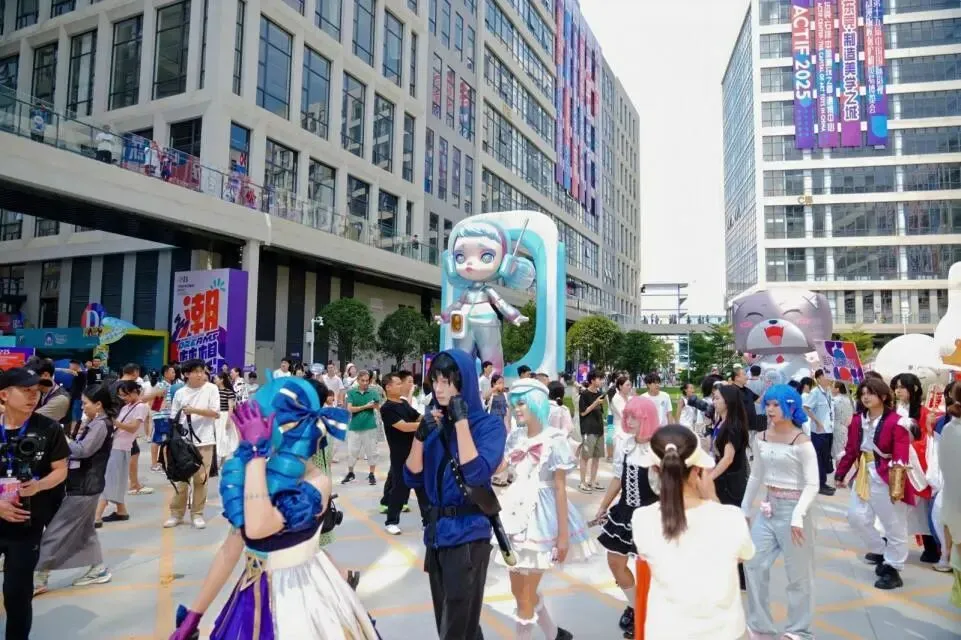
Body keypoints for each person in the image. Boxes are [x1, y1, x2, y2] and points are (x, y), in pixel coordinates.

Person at [168, 378, 379, 639]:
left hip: (303, 599)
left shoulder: (317, 483)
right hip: (252, 592)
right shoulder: (262, 473)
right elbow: (230, 549)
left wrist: (255, 454)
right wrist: (195, 614)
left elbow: (257, 528)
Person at [403, 349, 506, 640]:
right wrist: (420, 437)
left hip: (469, 534)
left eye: (447, 381)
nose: (439, 389)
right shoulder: (435, 424)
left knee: (456, 626)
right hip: (437, 534)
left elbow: (476, 473)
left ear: (465, 383)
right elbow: (411, 476)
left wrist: (461, 422)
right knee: (450, 620)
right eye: (435, 380)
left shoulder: (488, 425)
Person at [632, 425, 754, 640]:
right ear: (698, 471)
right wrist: (712, 499)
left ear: (655, 470)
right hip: (724, 633)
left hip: (666, 632)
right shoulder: (731, 517)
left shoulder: (642, 519)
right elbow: (744, 554)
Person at [497, 378, 592, 640]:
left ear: (537, 403)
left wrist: (563, 536)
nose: (516, 409)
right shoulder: (515, 436)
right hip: (515, 514)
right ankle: (554, 634)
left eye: (522, 403)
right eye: (514, 404)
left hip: (543, 518)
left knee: (526, 596)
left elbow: (560, 488)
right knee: (518, 592)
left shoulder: (555, 439)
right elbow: (500, 469)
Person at [742, 384, 819, 638]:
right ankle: (760, 626)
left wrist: (798, 515)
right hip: (768, 508)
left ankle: (799, 631)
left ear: (790, 407)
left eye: (777, 404)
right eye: (768, 404)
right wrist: (744, 509)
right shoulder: (761, 438)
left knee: (799, 575)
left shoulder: (802, 442)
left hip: (795, 511)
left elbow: (813, 484)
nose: (770, 409)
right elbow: (756, 475)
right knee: (753, 563)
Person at [0, 367, 70, 640]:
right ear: (4, 395)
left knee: (17, 593)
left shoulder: (49, 428)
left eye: (36, 392)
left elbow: (60, 470)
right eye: (26, 391)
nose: (33, 397)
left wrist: (39, 485)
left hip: (26, 525)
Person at [836, 377, 917, 590]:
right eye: (862, 393)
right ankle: (881, 550)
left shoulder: (897, 421)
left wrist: (897, 485)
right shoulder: (857, 420)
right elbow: (851, 449)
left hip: (887, 475)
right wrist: (841, 473)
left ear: (882, 396)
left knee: (894, 525)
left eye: (870, 393)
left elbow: (901, 455)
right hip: (864, 472)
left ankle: (893, 568)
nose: (865, 397)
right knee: (855, 516)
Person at [35, 384, 115, 594]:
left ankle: (39, 577)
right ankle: (98, 568)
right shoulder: (95, 422)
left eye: (86, 403)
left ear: (98, 404)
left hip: (85, 486)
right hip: (85, 484)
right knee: (85, 531)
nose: (83, 407)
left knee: (56, 531)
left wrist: (62, 438)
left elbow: (83, 450)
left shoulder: (100, 425)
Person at [595, 396, 661, 639]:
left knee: (652, 569)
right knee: (615, 561)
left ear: (647, 419)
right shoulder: (625, 444)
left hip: (652, 515)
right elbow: (618, 478)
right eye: (627, 416)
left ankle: (651, 613)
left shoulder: (660, 448)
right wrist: (603, 506)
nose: (629, 421)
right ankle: (635, 606)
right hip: (625, 511)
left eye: (635, 417)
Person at [891, 372, 940, 564]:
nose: (898, 391)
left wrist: (910, 446)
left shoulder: (925, 413)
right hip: (897, 464)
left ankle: (931, 547)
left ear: (915, 389)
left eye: (902, 387)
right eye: (896, 387)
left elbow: (928, 441)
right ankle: (888, 545)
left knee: (921, 509)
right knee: (895, 508)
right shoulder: (893, 410)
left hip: (916, 466)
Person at [165, 359, 220, 530]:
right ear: (186, 374)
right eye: (196, 371)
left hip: (205, 441)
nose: (200, 374)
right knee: (181, 480)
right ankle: (176, 514)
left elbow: (215, 413)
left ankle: (197, 514)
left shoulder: (211, 389)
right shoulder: (180, 393)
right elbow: (174, 417)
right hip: (183, 443)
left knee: (201, 480)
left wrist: (194, 410)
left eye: (202, 371)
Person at [710, 384, 751, 591]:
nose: (714, 402)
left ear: (728, 401)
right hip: (724, 482)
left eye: (717, 398)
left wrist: (709, 477)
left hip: (730, 484)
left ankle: (738, 576)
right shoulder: (722, 422)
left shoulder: (732, 427)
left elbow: (727, 459)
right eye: (714, 398)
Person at [380, 372, 424, 535]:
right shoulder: (387, 408)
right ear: (388, 387)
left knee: (422, 487)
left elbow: (417, 417)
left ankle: (427, 521)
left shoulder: (403, 403)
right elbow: (404, 426)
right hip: (399, 454)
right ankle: (391, 521)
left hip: (415, 451)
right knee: (400, 488)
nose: (401, 386)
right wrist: (425, 423)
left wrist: (431, 417)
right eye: (398, 384)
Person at [343, 370, 380, 486]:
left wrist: (374, 406)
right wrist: (366, 406)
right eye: (362, 380)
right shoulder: (351, 392)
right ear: (358, 380)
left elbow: (378, 407)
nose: (365, 383)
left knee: (372, 452)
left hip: (370, 426)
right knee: (352, 451)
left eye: (367, 380)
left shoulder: (373, 392)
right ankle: (350, 473)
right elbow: (350, 409)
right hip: (354, 426)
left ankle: (372, 474)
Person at [803, 369, 836, 496]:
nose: (829, 378)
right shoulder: (815, 392)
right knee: (819, 458)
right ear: (818, 378)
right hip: (819, 432)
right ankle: (819, 485)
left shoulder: (828, 391)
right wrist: (817, 422)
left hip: (828, 430)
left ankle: (823, 482)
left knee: (825, 457)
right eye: (826, 376)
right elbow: (806, 407)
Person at [578, 371, 606, 493]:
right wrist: (595, 403)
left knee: (596, 457)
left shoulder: (599, 394)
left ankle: (593, 481)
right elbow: (583, 412)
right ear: (592, 380)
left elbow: (600, 411)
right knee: (585, 457)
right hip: (588, 430)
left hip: (599, 429)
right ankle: (582, 482)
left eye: (602, 379)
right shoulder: (584, 394)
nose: (601, 381)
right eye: (599, 379)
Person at [831, 381, 855, 465]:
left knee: (839, 454)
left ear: (838, 389)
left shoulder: (834, 400)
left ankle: (839, 472)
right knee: (845, 452)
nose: (832, 389)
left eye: (833, 387)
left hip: (837, 427)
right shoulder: (852, 400)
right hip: (849, 428)